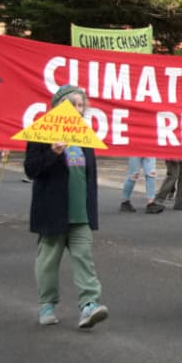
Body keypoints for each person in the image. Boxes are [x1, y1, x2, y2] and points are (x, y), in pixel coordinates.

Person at [23, 85, 109, 328]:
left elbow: (88, 175)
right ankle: (47, 304)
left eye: (81, 105)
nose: (78, 110)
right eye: (73, 104)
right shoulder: (42, 133)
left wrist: (91, 210)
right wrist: (52, 152)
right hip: (52, 210)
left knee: (84, 258)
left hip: (80, 212)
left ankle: (89, 305)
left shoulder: (85, 136)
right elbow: (31, 170)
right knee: (48, 260)